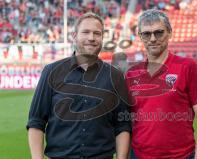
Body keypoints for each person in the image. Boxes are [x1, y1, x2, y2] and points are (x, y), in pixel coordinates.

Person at [27, 12, 131, 159]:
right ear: (74, 36)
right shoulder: (52, 72)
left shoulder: (115, 76)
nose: (91, 38)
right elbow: (36, 121)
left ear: (102, 38)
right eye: (86, 32)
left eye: (97, 33)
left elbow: (122, 126)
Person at [125, 9, 197, 159]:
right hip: (139, 155)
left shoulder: (188, 66)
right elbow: (126, 124)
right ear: (140, 36)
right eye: (146, 34)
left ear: (170, 33)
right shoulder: (131, 74)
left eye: (158, 32)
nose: (152, 38)